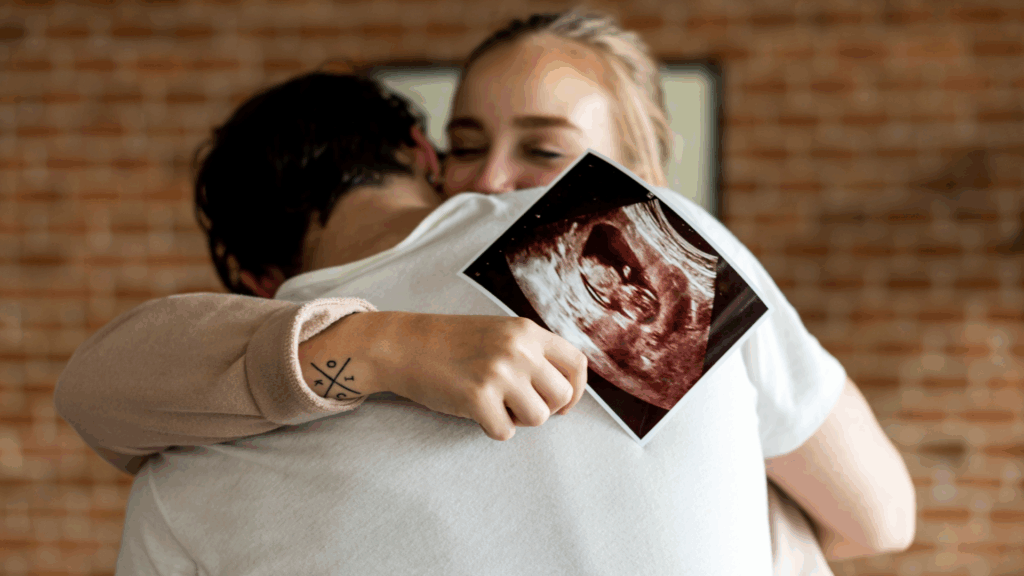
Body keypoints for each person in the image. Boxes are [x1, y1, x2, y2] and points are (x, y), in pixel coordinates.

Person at [54, 9, 913, 574]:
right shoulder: (600, 240)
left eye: (543, 153)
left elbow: (93, 391)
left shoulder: (182, 464)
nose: (498, 184)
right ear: (428, 161)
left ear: (249, 278)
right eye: (471, 145)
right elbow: (880, 519)